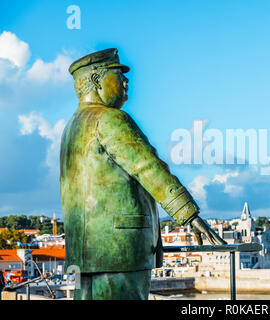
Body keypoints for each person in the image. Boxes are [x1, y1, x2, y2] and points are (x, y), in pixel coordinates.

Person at [60, 48, 225, 300]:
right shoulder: (109, 119)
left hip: (87, 254)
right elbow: (147, 167)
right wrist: (188, 213)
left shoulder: (71, 128)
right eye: (118, 74)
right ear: (96, 80)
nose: (126, 81)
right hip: (120, 252)